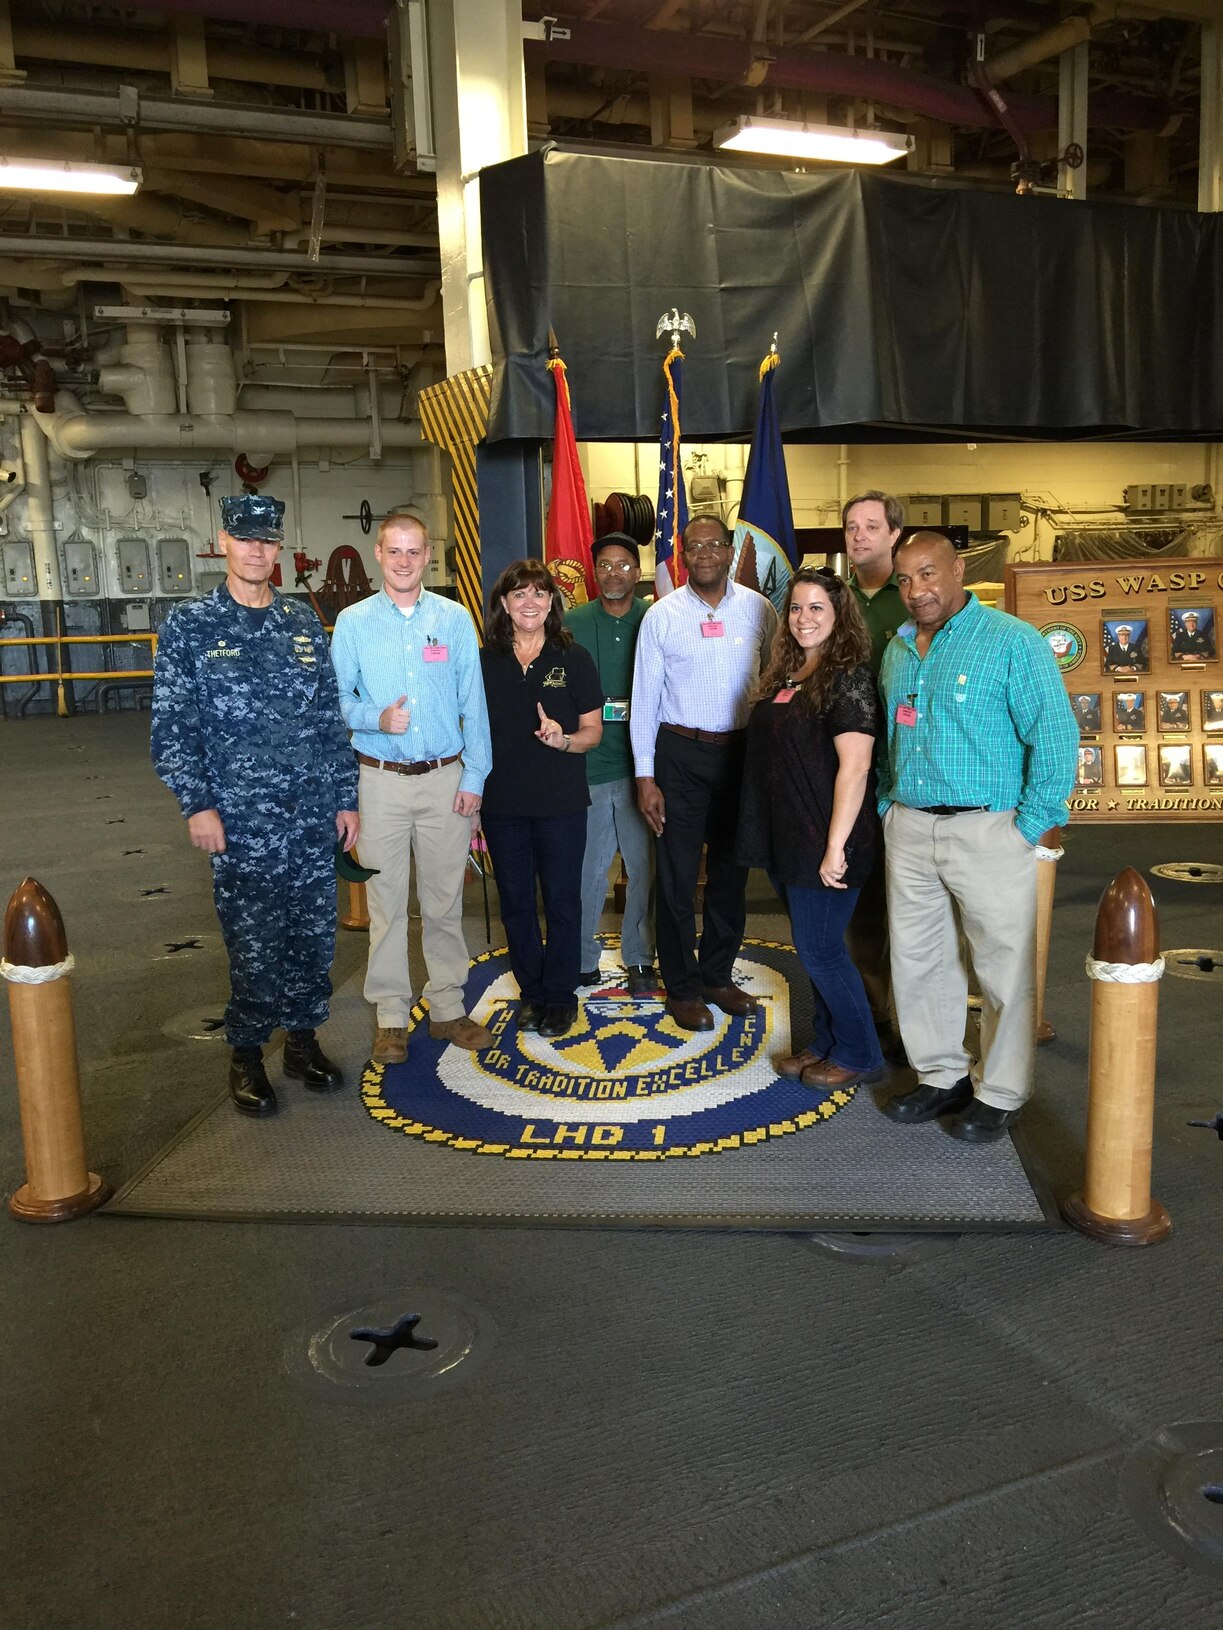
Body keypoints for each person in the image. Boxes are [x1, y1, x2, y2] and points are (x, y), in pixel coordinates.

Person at [152, 494, 359, 1118]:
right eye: (245, 539)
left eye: (267, 540)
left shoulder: (300, 622)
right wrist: (197, 805)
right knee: (254, 942)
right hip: (240, 821)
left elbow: (329, 719)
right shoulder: (191, 625)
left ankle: (301, 1043)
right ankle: (246, 1053)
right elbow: (173, 727)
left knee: (313, 938)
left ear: (278, 547)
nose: (256, 551)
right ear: (224, 542)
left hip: (310, 814)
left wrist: (345, 798)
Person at [877, 531, 1077, 1143]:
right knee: (919, 960)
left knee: (1001, 966)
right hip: (911, 827)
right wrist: (888, 805)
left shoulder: (1012, 641)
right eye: (905, 579)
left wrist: (1031, 823)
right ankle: (941, 1074)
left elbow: (1055, 734)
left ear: (958, 570)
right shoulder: (898, 649)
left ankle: (1001, 1090)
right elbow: (890, 735)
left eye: (928, 573)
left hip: (989, 828)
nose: (917, 590)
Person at [330, 513, 493, 1067]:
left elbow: (475, 704)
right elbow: (337, 703)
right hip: (380, 782)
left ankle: (447, 1007)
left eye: (413, 551)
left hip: (445, 780)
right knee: (387, 905)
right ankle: (391, 1017)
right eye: (394, 551)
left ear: (428, 556)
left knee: (445, 903)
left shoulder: (453, 619)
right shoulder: (353, 623)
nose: (404, 561)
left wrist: (474, 778)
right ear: (379, 554)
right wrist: (376, 718)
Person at [737, 569, 884, 1089]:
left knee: (822, 951)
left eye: (817, 607)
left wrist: (835, 847)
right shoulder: (789, 671)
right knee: (812, 948)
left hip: (828, 838)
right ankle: (826, 1042)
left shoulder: (849, 677)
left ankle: (861, 1053)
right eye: (796, 607)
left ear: (839, 615)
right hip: (789, 838)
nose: (803, 618)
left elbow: (856, 767)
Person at [631, 513, 778, 1031]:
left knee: (731, 876)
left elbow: (773, 682)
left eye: (715, 545)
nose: (706, 554)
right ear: (683, 555)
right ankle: (683, 986)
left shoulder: (759, 609)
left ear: (730, 551)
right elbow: (645, 702)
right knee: (675, 878)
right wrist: (646, 778)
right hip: (679, 755)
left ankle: (717, 976)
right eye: (695, 546)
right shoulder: (661, 616)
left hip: (740, 755)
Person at [480, 559, 603, 1037]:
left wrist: (564, 740)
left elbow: (593, 732)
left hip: (560, 804)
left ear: (552, 602)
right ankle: (531, 992)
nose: (529, 602)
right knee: (515, 902)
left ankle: (560, 996)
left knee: (562, 901)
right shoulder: (485, 659)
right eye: (519, 593)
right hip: (502, 804)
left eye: (538, 593)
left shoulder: (573, 657)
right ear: (504, 603)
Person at [565, 533, 657, 994]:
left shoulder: (656, 617)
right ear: (594, 572)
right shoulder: (570, 623)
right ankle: (583, 959)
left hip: (644, 769)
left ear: (637, 572)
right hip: (590, 768)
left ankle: (640, 958)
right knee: (588, 872)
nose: (614, 573)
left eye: (623, 564)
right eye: (605, 565)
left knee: (644, 871)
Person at [841, 490, 907, 1058]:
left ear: (894, 535)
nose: (859, 535)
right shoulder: (833, 601)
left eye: (871, 526)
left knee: (911, 904)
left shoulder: (913, 598)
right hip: (850, 773)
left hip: (907, 772)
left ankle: (916, 1022)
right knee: (861, 903)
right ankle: (874, 1013)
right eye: (851, 527)